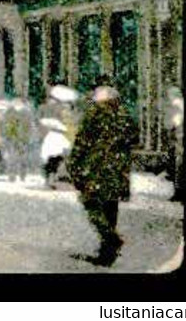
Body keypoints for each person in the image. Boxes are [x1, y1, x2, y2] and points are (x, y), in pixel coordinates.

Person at [67, 76, 139, 266]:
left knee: (91, 202)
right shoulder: (124, 113)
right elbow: (134, 137)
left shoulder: (95, 112)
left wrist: (74, 164)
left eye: (95, 92)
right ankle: (107, 252)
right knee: (110, 207)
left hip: (96, 167)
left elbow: (82, 141)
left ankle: (110, 239)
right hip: (118, 168)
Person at [165, 86, 184, 202]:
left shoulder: (177, 105)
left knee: (178, 167)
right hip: (179, 139)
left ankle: (179, 192)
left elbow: (174, 124)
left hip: (179, 140)